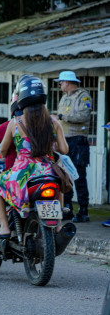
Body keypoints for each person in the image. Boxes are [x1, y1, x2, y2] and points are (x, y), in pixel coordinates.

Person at [0, 76, 68, 261]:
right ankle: (58, 224)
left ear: (20, 99)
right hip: (47, 169)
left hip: (22, 173)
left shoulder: (15, 123)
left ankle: (4, 227)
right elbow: (64, 150)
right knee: (58, 183)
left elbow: (2, 151)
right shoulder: (53, 122)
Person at [56, 70, 92, 222]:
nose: (60, 85)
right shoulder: (65, 97)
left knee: (79, 175)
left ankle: (83, 211)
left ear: (69, 82)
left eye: (62, 82)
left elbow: (84, 116)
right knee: (66, 175)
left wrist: (63, 117)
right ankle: (68, 209)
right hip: (66, 140)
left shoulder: (83, 96)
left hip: (78, 140)